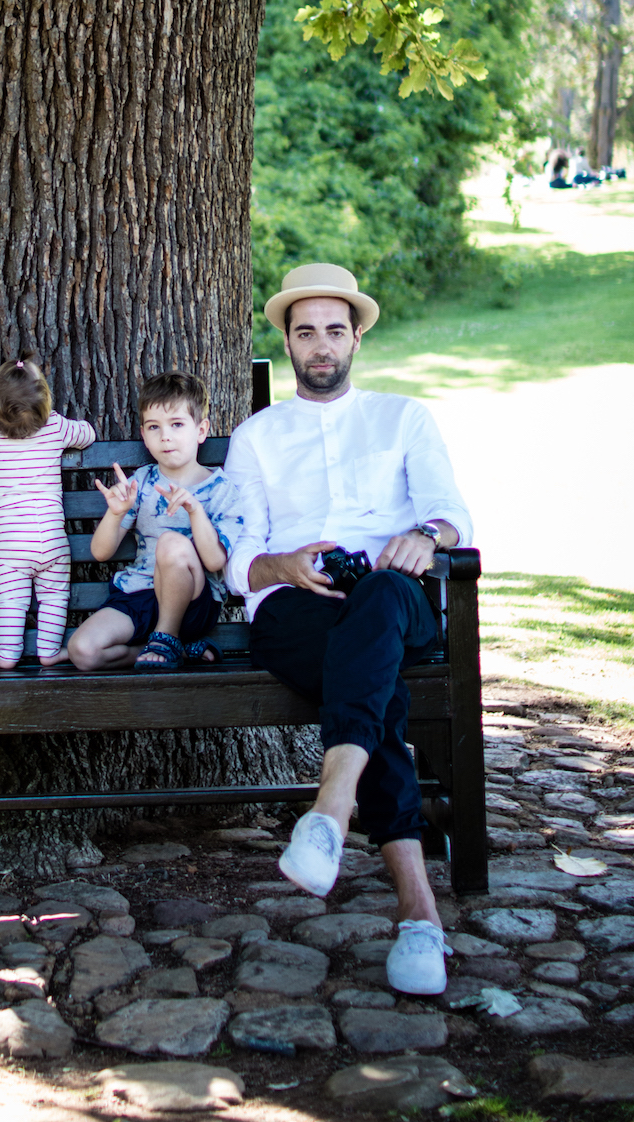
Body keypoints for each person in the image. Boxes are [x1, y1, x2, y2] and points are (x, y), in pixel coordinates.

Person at [223, 262, 473, 996]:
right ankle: (418, 913)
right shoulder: (257, 436)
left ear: (357, 337)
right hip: (296, 607)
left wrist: (426, 535)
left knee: (381, 603)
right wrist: (281, 565)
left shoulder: (404, 417)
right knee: (373, 682)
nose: (321, 346)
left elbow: (454, 515)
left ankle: (332, 808)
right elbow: (239, 556)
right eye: (306, 333)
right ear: (288, 342)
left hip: (393, 594)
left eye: (335, 330)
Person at [68, 372, 236, 672]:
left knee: (171, 542)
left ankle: (167, 636)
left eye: (177, 424)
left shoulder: (220, 488)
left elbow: (214, 562)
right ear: (144, 435)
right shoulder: (142, 482)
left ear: (201, 430)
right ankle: (178, 651)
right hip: (140, 592)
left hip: (193, 600)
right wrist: (116, 513)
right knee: (83, 651)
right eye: (154, 427)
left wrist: (195, 510)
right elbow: (101, 552)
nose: (165, 436)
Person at [0, 359, 96, 669]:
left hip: (10, 546)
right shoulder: (55, 427)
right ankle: (49, 651)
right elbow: (87, 434)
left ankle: (8, 655)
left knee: (11, 601)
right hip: (51, 540)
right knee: (55, 597)